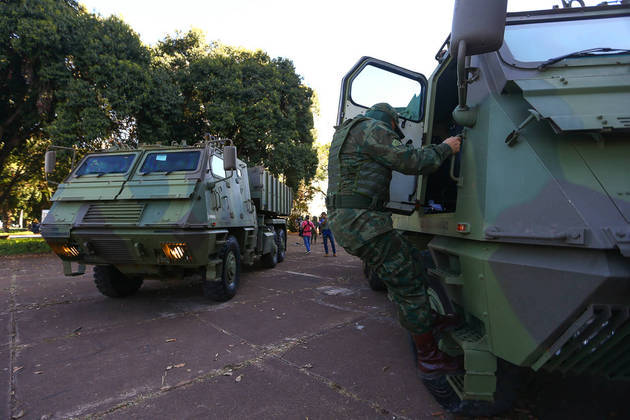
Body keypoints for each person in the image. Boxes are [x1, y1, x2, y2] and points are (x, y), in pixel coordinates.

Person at [326, 102, 463, 376]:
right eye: (394, 130)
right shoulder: (373, 129)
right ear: (389, 122)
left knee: (412, 259)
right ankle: (429, 358)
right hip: (363, 223)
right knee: (408, 285)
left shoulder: (347, 132)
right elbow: (411, 162)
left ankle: (429, 319)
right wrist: (447, 147)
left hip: (351, 221)